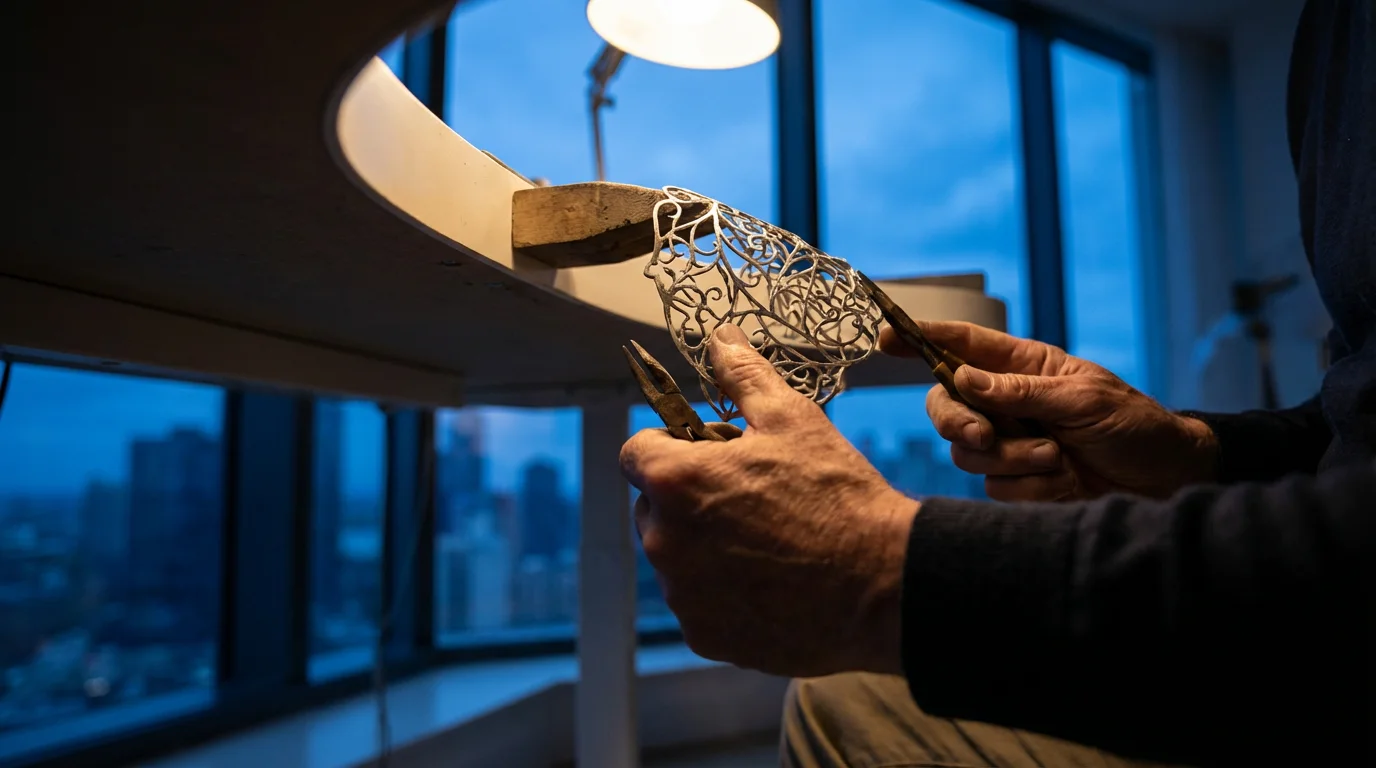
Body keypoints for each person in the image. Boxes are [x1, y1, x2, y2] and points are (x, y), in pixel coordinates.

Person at [619, 1, 1373, 766]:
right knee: (848, 694)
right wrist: (1199, 456)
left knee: (852, 696)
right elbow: (1356, 424)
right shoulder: (1332, 34)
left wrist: (889, 573)